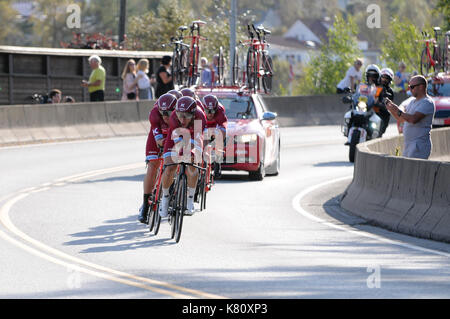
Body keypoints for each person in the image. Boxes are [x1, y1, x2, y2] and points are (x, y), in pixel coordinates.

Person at [158, 96, 207, 217]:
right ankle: (165, 197)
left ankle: (190, 200)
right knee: (170, 167)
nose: (183, 119)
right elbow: (177, 140)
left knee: (193, 164)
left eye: (187, 116)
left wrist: (193, 153)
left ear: (193, 114)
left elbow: (198, 140)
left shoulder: (200, 117)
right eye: (180, 114)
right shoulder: (174, 117)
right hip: (175, 137)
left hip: (193, 136)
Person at [138, 93, 178, 223]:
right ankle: (145, 204)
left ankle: (171, 188)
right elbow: (159, 139)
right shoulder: (154, 114)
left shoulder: (180, 114)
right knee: (152, 166)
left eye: (169, 112)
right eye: (163, 113)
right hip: (159, 136)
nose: (165, 116)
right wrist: (162, 143)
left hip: (173, 136)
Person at [386, 75, 435, 159]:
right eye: (409, 87)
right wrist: (391, 109)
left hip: (419, 146)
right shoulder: (411, 101)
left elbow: (413, 119)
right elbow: (401, 118)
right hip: (408, 145)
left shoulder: (427, 102)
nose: (410, 89)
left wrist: (397, 110)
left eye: (412, 87)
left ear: (421, 86)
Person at [203, 94, 228, 178]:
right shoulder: (199, 111)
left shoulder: (220, 111)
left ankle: (218, 163)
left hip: (215, 125)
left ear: (216, 109)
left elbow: (223, 129)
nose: (210, 114)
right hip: (204, 124)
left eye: (212, 111)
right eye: (207, 111)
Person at [373, 67, 395, 136]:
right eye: (383, 77)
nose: (384, 80)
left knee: (387, 114)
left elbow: (389, 103)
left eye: (387, 78)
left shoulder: (390, 91)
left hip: (380, 110)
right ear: (380, 77)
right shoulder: (373, 85)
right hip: (370, 107)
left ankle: (379, 133)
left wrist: (381, 104)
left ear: (390, 80)